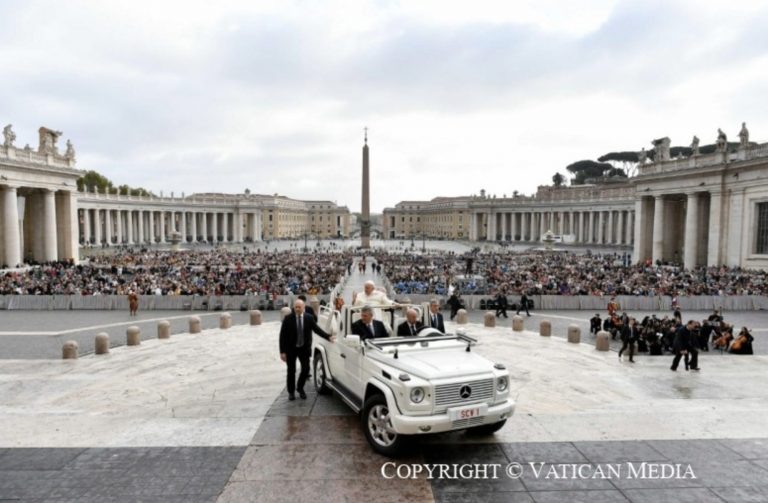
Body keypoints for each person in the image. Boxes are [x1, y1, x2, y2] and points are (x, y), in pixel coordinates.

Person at [279, 299, 334, 400]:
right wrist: (282, 352)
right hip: (291, 349)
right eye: (296, 307)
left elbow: (317, 330)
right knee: (291, 371)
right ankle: (291, 392)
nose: (298, 309)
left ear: (304, 307)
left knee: (306, 369)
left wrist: (328, 337)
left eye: (300, 307)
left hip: (304, 349)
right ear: (294, 308)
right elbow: (282, 336)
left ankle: (300, 388)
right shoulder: (288, 319)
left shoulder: (309, 318)